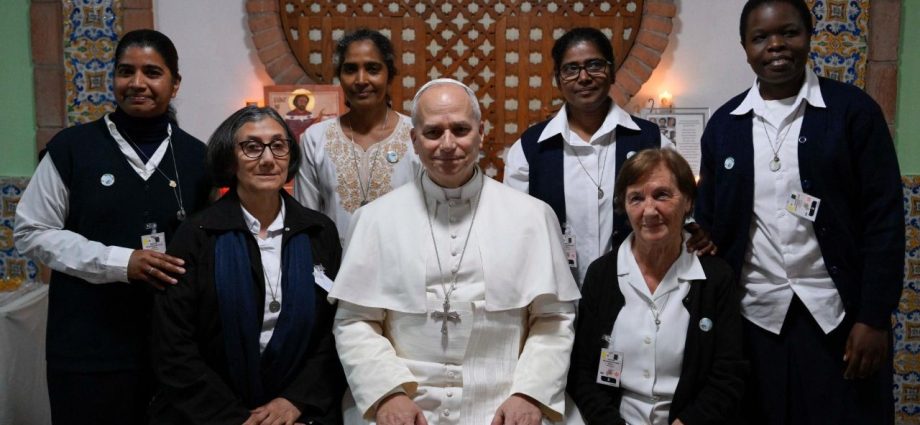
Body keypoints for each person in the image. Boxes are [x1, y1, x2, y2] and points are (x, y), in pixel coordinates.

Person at [695, 1, 904, 423]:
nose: (776, 45)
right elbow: (712, 218)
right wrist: (700, 235)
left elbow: (884, 220)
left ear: (809, 36)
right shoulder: (725, 125)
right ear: (745, 47)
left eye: (788, 33)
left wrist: (873, 317)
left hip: (837, 318)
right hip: (754, 318)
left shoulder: (852, 112)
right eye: (760, 37)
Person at [329, 78, 581, 425]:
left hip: (507, 401)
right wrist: (387, 393)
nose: (448, 144)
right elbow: (355, 321)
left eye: (460, 130)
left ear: (480, 133)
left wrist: (530, 393)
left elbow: (553, 319)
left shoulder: (533, 217)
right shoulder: (374, 220)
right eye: (433, 133)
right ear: (414, 141)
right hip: (404, 403)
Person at [13, 29, 211, 424]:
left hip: (174, 352)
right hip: (88, 349)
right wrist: (120, 262)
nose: (137, 83)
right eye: (126, 71)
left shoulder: (197, 157)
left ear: (175, 84)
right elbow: (31, 231)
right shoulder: (72, 149)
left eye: (152, 72)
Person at [149, 106, 346, 424]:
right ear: (229, 159)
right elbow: (173, 344)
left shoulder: (319, 231)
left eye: (278, 146)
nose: (268, 159)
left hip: (299, 413)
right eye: (252, 147)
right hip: (212, 413)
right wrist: (234, 418)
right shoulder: (198, 234)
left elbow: (335, 331)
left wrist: (295, 401)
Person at [503, 27, 710, 287]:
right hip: (555, 292)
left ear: (612, 72)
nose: (584, 77)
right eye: (571, 69)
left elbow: (679, 205)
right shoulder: (531, 148)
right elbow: (515, 225)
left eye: (594, 65)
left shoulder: (651, 140)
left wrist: (693, 228)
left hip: (637, 291)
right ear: (558, 79)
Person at [567, 149, 745, 425]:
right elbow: (582, 372)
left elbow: (728, 375)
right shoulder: (602, 275)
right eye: (636, 198)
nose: (649, 210)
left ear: (687, 201)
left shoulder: (716, 278)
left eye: (662, 195)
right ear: (624, 207)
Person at [295, 29, 419, 242]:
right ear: (340, 77)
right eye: (351, 69)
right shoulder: (315, 139)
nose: (361, 80)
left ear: (389, 75)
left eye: (372, 69)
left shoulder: (415, 137)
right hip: (335, 270)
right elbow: (306, 220)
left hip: (402, 268)